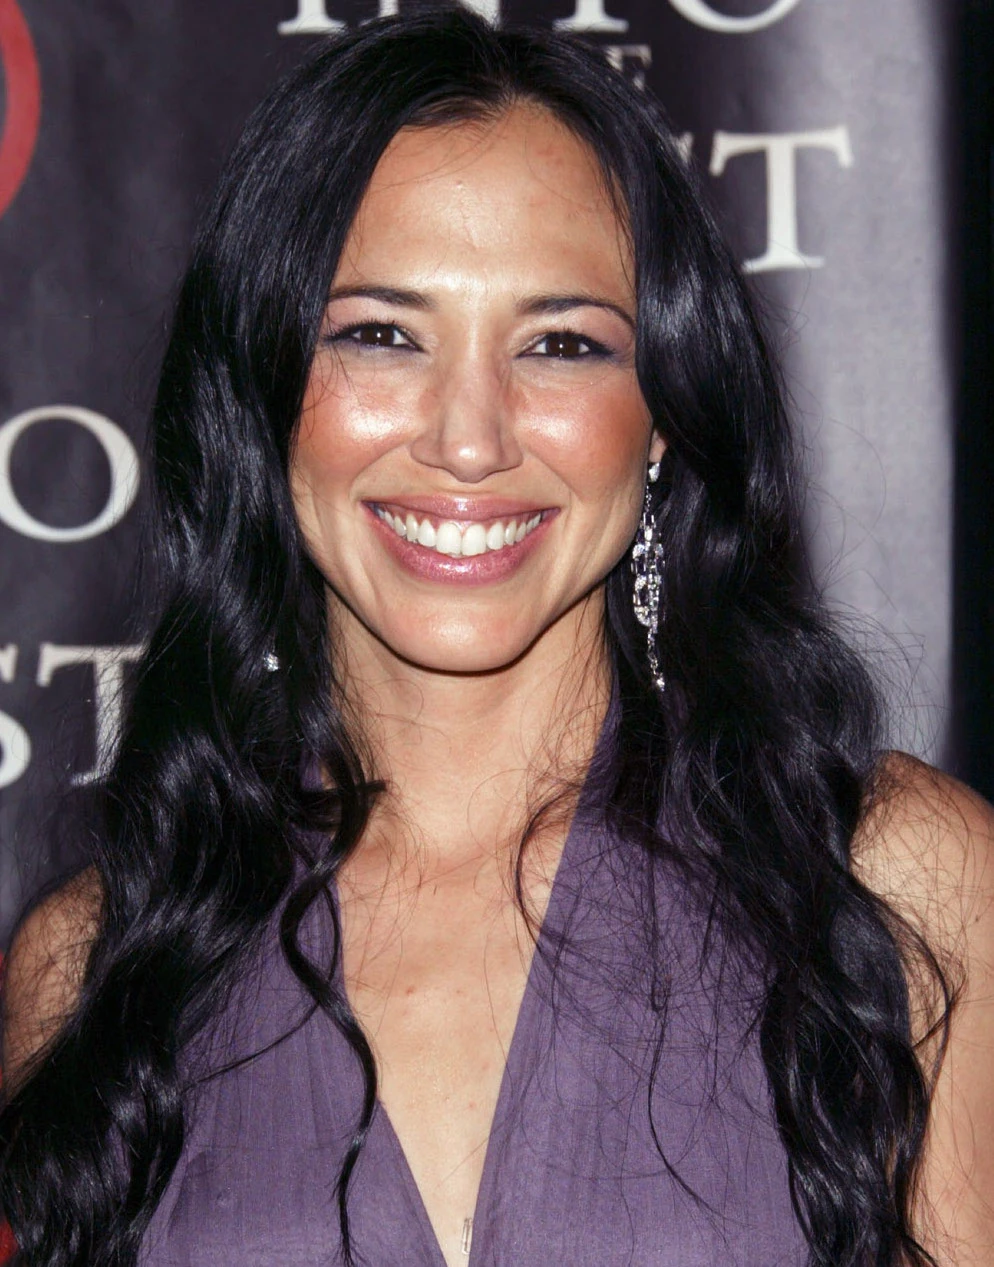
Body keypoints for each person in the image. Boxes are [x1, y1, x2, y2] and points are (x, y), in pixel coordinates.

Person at [1, 9, 991, 1266]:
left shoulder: (897, 887)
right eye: (379, 335)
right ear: (261, 389)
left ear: (662, 416)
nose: (468, 439)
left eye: (561, 345)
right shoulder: (94, 969)